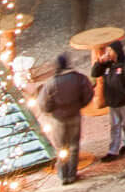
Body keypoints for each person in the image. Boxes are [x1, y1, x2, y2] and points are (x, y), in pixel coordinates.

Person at [39, 53, 93, 184]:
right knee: (74, 146)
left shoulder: (51, 83)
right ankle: (72, 174)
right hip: (75, 116)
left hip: (59, 119)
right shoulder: (79, 78)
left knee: (61, 148)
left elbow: (43, 103)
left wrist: (51, 111)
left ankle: (63, 175)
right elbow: (89, 93)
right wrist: (80, 105)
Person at [98, 37, 125, 161]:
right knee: (114, 125)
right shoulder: (107, 64)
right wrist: (99, 63)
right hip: (112, 100)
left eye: (110, 51)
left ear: (116, 51)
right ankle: (113, 150)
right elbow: (95, 73)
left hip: (124, 100)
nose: (108, 53)